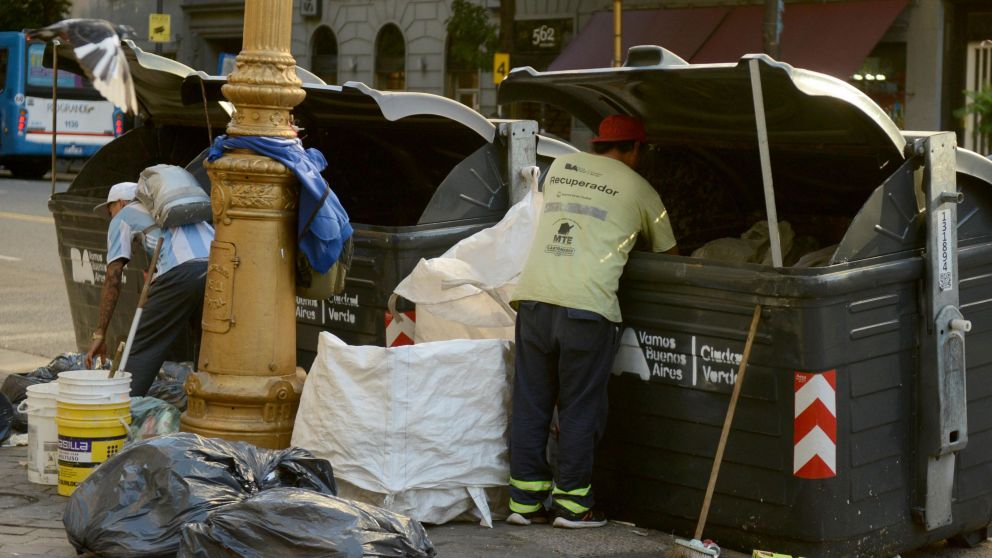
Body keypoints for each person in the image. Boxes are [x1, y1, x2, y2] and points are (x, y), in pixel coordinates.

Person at [507, 115, 677, 529]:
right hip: (587, 309)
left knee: (531, 402)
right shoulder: (642, 189)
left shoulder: (560, 168)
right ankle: (573, 505)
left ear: (599, 143)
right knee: (580, 406)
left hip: (534, 298)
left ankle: (524, 503)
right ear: (636, 149)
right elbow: (670, 256)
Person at [84, 177, 214, 396]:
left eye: (110, 210)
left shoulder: (125, 215)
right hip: (217, 269)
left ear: (121, 203)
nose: (111, 217)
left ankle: (121, 410)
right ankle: (203, 406)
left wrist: (100, 334)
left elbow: (113, 277)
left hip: (181, 271)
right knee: (207, 345)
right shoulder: (173, 211)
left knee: (141, 348)